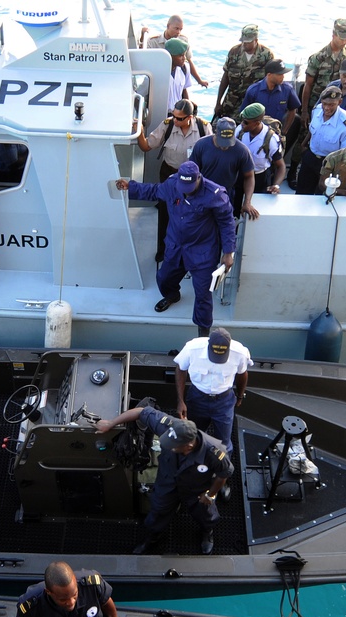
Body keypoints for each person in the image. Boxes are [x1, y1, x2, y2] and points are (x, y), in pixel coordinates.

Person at [94, 405, 233, 555]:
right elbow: (142, 412)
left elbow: (224, 473)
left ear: (189, 446)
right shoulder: (170, 426)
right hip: (167, 482)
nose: (169, 446)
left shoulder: (214, 451)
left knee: (205, 514)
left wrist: (210, 494)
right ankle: (153, 538)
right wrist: (111, 423)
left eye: (173, 446)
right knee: (157, 511)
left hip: (196, 489)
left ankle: (207, 532)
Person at [115, 163, 236, 331]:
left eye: (189, 187)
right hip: (175, 246)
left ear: (199, 178)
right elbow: (154, 191)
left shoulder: (215, 194)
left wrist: (228, 252)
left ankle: (203, 332)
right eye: (183, 186)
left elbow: (227, 223)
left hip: (202, 251)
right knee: (163, 278)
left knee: (203, 295)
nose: (185, 190)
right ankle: (172, 295)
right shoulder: (172, 184)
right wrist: (131, 186)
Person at [137, 100, 212, 262]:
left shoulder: (203, 128)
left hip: (194, 179)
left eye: (179, 118)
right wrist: (139, 132)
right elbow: (146, 146)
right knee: (165, 212)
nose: (175, 120)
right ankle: (162, 250)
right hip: (169, 174)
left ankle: (188, 253)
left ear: (190, 117)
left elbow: (210, 153)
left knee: (193, 215)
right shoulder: (167, 125)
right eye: (173, 116)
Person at [288, 19, 346, 189]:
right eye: (341, 37)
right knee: (303, 139)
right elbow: (307, 85)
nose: (344, 41)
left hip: (336, 106)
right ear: (333, 35)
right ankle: (293, 170)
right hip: (316, 107)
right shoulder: (318, 58)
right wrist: (304, 111)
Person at [174, 328, 252, 456]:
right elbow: (180, 369)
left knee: (224, 443)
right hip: (197, 398)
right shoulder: (192, 348)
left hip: (224, 401)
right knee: (194, 434)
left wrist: (240, 396)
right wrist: (180, 401)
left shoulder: (240, 352)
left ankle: (222, 471)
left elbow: (242, 374)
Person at [190, 118, 257, 219]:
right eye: (222, 142)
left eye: (228, 142)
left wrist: (247, 202)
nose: (224, 147)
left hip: (226, 197)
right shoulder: (201, 145)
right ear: (216, 132)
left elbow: (249, 176)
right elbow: (192, 172)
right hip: (202, 194)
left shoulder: (242, 151)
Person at [296, 86, 346, 196]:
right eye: (324, 104)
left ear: (339, 102)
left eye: (331, 105)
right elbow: (312, 130)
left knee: (322, 197)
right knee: (301, 193)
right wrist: (303, 146)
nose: (327, 108)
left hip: (329, 165)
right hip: (310, 157)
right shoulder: (317, 110)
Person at [213, 25, 274, 121]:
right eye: (243, 41)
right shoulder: (234, 52)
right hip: (232, 101)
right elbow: (225, 77)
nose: (244, 44)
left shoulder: (266, 55)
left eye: (248, 42)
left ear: (256, 40)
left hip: (253, 102)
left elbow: (270, 80)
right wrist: (218, 102)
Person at [142, 15, 209, 98]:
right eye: (176, 28)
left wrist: (199, 80)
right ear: (168, 26)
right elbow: (147, 64)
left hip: (177, 78)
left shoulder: (183, 40)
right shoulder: (153, 42)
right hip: (159, 80)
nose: (178, 32)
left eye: (181, 29)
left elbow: (188, 61)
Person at [234, 103, 286, 194]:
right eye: (242, 120)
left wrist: (276, 185)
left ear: (257, 123)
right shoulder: (239, 131)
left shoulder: (271, 140)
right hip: (240, 176)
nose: (242, 124)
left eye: (246, 122)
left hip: (260, 179)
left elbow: (281, 166)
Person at [239, 59, 300, 134]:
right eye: (279, 74)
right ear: (269, 75)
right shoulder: (253, 91)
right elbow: (244, 115)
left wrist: (284, 130)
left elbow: (293, 110)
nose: (283, 77)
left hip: (276, 132)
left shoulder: (287, 90)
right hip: (256, 132)